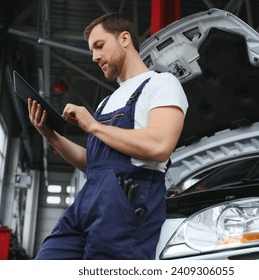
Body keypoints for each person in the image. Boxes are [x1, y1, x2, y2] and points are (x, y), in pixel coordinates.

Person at [28, 13, 188, 260]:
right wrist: (50, 134)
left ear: (124, 38)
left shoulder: (162, 84)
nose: (94, 57)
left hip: (126, 204)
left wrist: (93, 126)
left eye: (99, 46)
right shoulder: (105, 103)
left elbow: (160, 146)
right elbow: (94, 164)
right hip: (88, 201)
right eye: (92, 50)